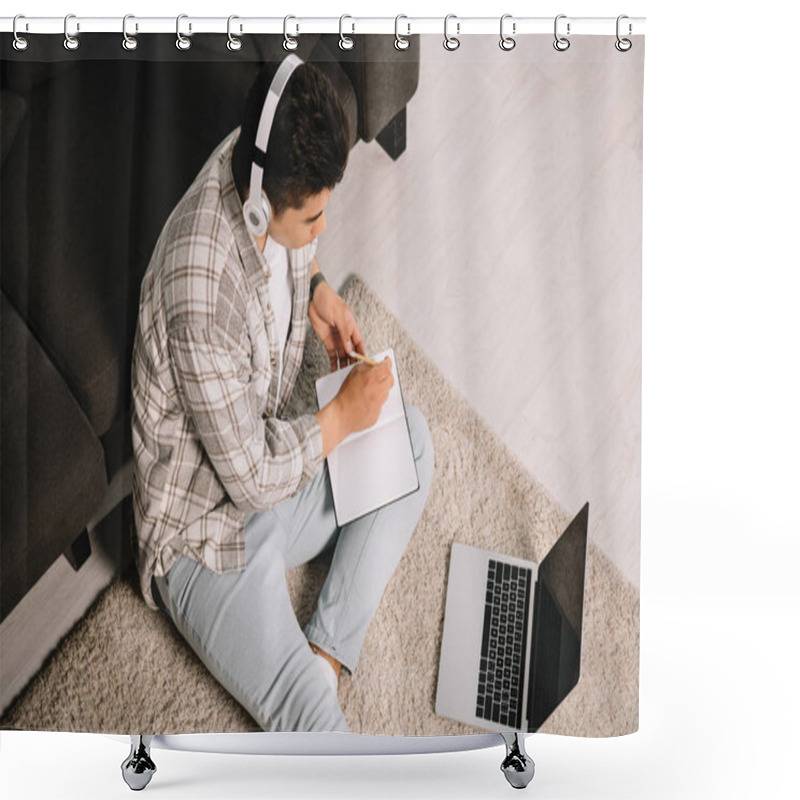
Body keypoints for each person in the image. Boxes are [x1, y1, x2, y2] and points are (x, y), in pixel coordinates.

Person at [130, 58, 434, 732]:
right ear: (267, 204)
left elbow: (296, 251)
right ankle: (308, 690)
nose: (323, 229)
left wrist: (319, 289)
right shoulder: (200, 296)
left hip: (267, 459)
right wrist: (338, 419)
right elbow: (248, 478)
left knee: (411, 442)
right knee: (308, 719)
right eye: (315, 216)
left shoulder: (255, 162)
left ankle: (324, 651)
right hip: (202, 537)